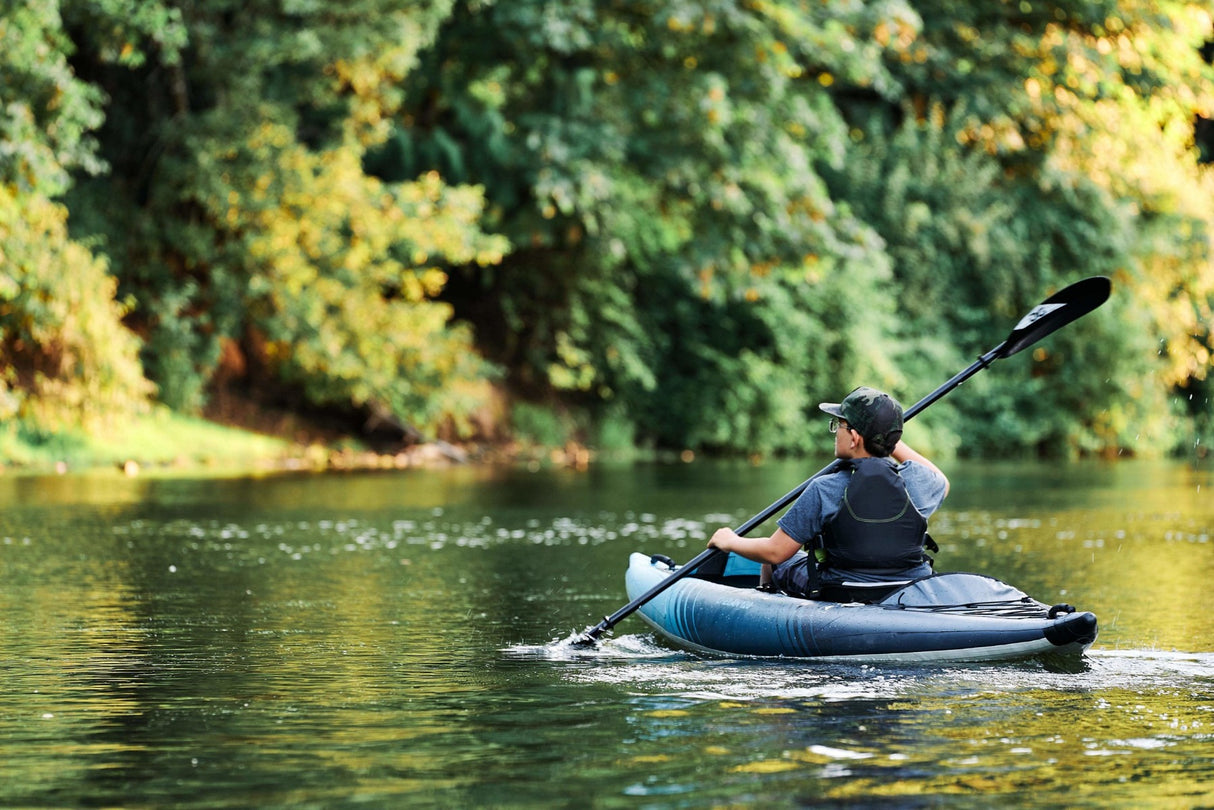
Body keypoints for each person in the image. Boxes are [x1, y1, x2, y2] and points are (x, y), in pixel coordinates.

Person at [708, 386, 949, 601]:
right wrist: (884, 440)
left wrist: (730, 541)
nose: (835, 432)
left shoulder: (825, 489)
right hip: (909, 588)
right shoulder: (918, 481)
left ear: (854, 437)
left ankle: (768, 607)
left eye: (839, 424)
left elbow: (775, 551)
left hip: (843, 590)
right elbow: (941, 481)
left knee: (772, 563)